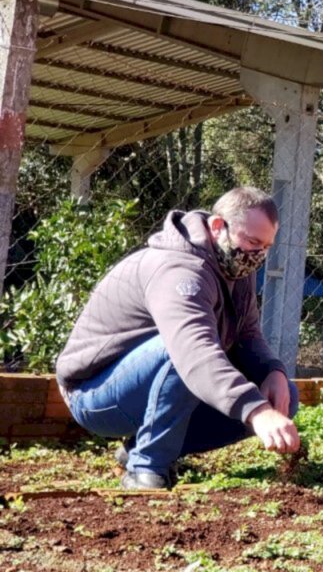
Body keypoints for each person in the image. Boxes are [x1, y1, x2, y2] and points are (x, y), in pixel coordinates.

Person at [56, 186, 301, 490]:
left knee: (282, 396)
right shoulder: (179, 270)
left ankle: (142, 447)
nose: (257, 256)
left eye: (265, 247)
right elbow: (194, 353)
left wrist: (272, 372)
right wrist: (255, 411)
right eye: (251, 242)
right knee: (180, 352)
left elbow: (247, 334)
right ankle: (146, 467)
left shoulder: (235, 266)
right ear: (216, 226)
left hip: (155, 382)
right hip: (94, 393)